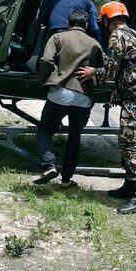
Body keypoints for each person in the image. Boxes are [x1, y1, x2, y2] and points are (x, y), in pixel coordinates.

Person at [76, 1, 136, 214]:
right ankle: (130, 186)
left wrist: (93, 72)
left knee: (129, 143)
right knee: (127, 140)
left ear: (105, 19)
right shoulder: (134, 34)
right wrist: (120, 89)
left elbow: (110, 70)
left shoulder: (116, 36)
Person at [33, 10, 103, 187]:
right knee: (74, 137)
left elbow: (47, 61)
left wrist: (46, 80)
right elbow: (102, 70)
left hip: (60, 94)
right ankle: (66, 180)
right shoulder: (95, 43)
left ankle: (48, 165)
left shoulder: (57, 38)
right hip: (83, 98)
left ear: (68, 23)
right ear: (86, 26)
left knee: (45, 130)